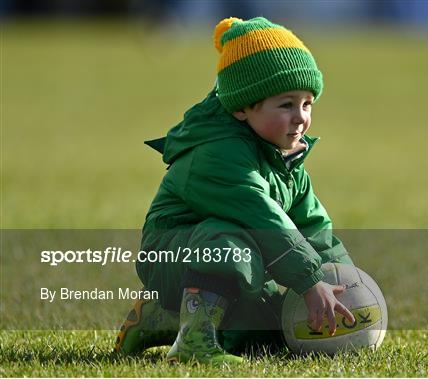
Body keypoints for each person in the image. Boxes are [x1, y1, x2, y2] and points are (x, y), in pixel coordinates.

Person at [114, 16, 356, 364]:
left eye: (307, 104)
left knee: (271, 329)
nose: (300, 117)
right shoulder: (218, 152)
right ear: (242, 107)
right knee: (229, 241)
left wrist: (343, 283)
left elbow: (314, 230)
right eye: (286, 104)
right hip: (174, 253)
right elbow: (261, 216)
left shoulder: (286, 156)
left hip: (227, 255)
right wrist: (309, 280)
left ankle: (159, 318)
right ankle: (192, 345)